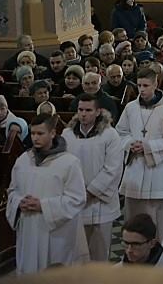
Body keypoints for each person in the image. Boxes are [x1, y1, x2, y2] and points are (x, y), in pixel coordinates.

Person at [7, 113, 88, 274]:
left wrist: (43, 206)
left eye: (40, 133)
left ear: (52, 133)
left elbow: (77, 199)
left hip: (55, 233)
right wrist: (18, 202)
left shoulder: (69, 162)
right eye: (32, 133)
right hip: (28, 228)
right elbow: (12, 191)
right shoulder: (23, 160)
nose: (35, 138)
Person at [117, 67, 163, 241]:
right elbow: (121, 132)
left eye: (146, 85)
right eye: (139, 85)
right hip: (135, 171)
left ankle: (160, 254)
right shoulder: (130, 108)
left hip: (158, 174)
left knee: (159, 225)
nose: (142, 89)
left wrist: (147, 147)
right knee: (134, 220)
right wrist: (130, 144)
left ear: (155, 84)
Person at [60, 93, 123, 261]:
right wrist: (75, 193)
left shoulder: (110, 135)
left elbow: (113, 168)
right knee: (75, 256)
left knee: (99, 255)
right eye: (80, 110)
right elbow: (62, 165)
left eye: (88, 110)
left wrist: (90, 192)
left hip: (100, 203)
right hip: (75, 201)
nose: (83, 114)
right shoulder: (67, 135)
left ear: (98, 111)